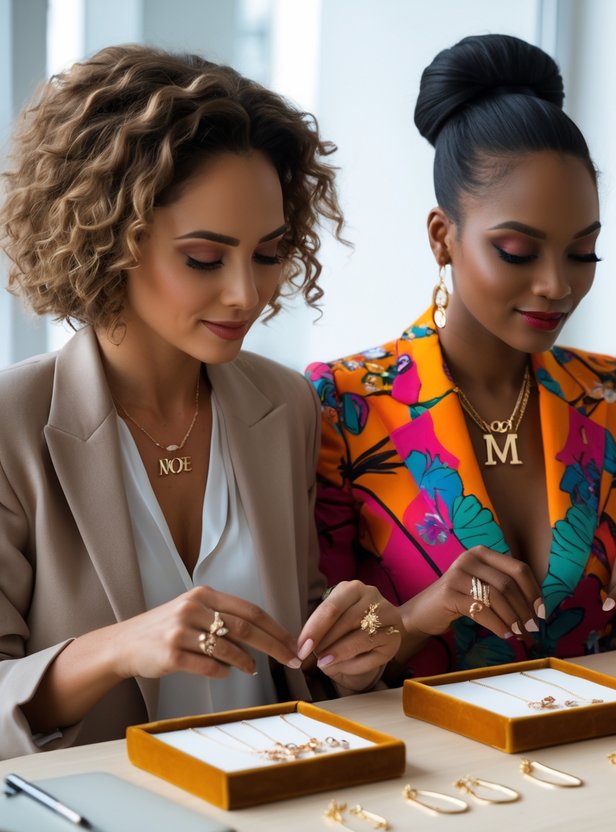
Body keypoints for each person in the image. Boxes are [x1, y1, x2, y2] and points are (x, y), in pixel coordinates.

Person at [0, 46, 401, 759]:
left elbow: (296, 649)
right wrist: (119, 648)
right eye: (205, 259)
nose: (246, 294)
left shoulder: (284, 405)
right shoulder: (13, 423)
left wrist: (353, 651)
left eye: (270, 253)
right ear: (108, 238)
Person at [308, 34, 616, 678]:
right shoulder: (344, 405)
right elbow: (317, 660)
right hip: (422, 768)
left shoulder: (610, 394)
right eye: (517, 250)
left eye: (582, 252)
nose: (556, 285)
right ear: (443, 237)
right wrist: (423, 612)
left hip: (601, 759)